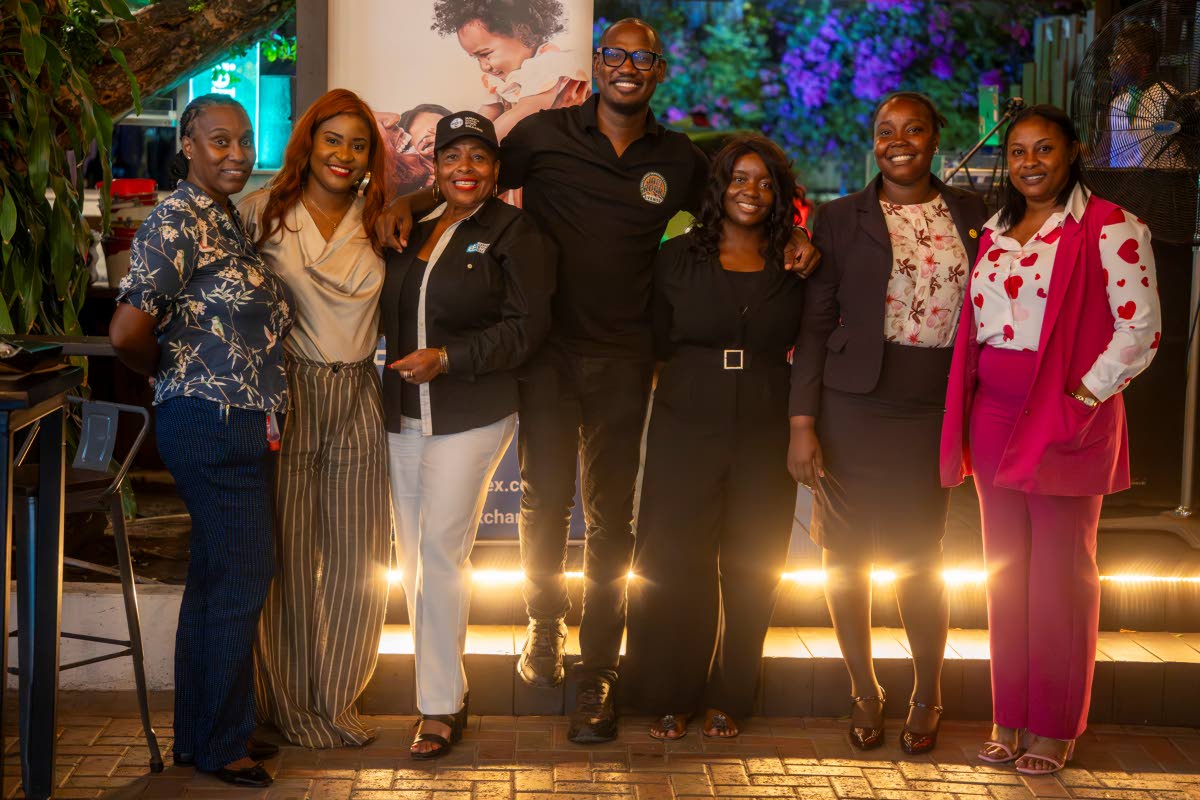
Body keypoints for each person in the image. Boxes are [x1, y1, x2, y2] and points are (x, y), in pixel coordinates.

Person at [377, 18, 819, 744]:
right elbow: (471, 177)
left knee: (614, 518)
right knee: (546, 505)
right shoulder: (544, 135)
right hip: (545, 353)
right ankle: (543, 625)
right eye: (615, 54)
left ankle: (599, 665)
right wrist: (411, 202)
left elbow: (750, 192)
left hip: (627, 361)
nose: (627, 68)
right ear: (599, 62)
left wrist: (795, 234)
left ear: (658, 72)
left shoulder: (678, 159)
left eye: (642, 59)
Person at [941, 104, 1160, 774]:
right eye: (1018, 152)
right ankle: (1008, 715)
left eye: (1044, 150)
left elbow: (1141, 330)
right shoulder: (997, 230)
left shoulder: (1113, 226)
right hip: (995, 412)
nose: (1029, 163)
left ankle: (1055, 724)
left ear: (1074, 153)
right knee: (1004, 575)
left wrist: (1083, 397)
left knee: (1061, 578)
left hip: (1068, 411)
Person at [790, 92, 987, 754]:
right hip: (850, 407)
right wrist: (802, 422)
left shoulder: (973, 215)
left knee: (919, 560)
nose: (897, 140)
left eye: (913, 129)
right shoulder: (841, 217)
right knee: (844, 560)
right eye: (884, 131)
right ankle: (863, 691)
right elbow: (815, 325)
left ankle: (927, 694)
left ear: (936, 138)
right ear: (872, 142)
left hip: (931, 406)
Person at [109, 94, 292, 789]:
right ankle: (223, 744)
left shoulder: (223, 221)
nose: (237, 154)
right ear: (188, 144)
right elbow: (127, 331)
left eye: (244, 142)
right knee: (244, 579)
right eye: (220, 142)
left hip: (235, 421)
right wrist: (181, 374)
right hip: (211, 421)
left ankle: (202, 735)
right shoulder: (177, 217)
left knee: (217, 581)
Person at [381, 111, 553, 759]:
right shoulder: (414, 224)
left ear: (496, 170)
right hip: (402, 412)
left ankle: (439, 707)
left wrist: (449, 359)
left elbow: (526, 329)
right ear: (435, 166)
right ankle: (443, 689)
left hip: (471, 412)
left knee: (441, 554)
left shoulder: (516, 231)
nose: (464, 169)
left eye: (478, 158)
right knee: (410, 561)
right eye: (452, 157)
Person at [623, 135, 805, 740]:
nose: (750, 192)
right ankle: (670, 692)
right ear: (717, 187)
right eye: (738, 178)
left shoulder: (796, 264)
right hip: (686, 418)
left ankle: (732, 694)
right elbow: (652, 342)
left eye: (763, 182)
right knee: (676, 562)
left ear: (778, 195)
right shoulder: (675, 258)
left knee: (754, 564)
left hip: (765, 419)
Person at [237, 88, 391, 749]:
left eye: (358, 144)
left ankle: (338, 702)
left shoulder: (383, 219)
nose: (344, 154)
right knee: (291, 559)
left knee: (361, 557)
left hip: (359, 391)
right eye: (333, 139)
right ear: (309, 144)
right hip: (289, 393)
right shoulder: (262, 215)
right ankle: (290, 705)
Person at [432, 0, 590, 140]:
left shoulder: (548, 63)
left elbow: (526, 112)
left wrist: (481, 143)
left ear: (522, 32)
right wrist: (464, 135)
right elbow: (486, 114)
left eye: (485, 54)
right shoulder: (504, 76)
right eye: (476, 58)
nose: (483, 66)